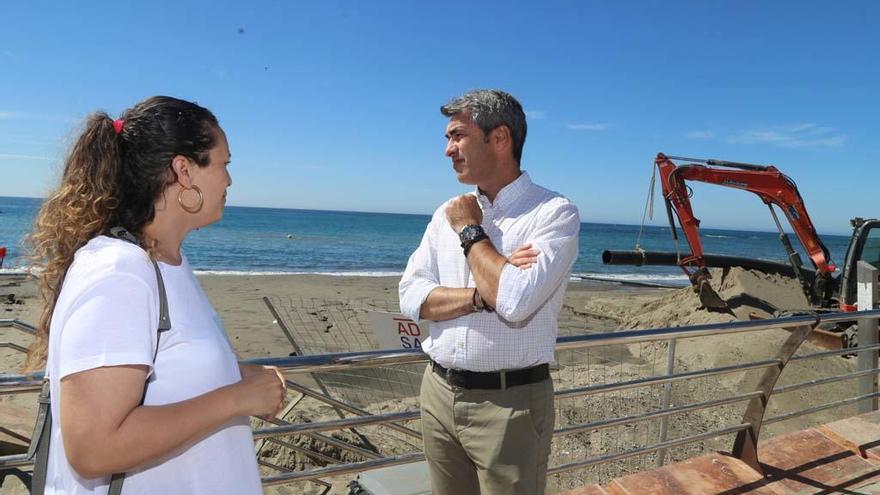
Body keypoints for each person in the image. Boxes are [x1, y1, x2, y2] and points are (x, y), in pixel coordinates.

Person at [24, 96, 286, 494]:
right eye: (223, 164)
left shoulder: (164, 263)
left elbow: (163, 377)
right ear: (184, 170)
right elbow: (93, 448)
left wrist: (230, 373)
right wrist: (238, 398)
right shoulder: (118, 272)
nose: (229, 180)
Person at [399, 89, 580, 494]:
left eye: (458, 136)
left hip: (509, 403)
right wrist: (481, 296)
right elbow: (411, 296)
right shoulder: (444, 211)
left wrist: (470, 231)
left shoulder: (553, 213)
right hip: (438, 392)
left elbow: (514, 303)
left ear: (499, 139)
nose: (448, 150)